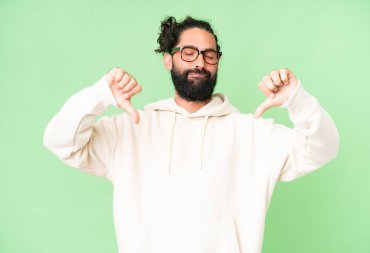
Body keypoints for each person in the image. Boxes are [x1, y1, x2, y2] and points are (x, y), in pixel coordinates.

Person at [43, 16, 339, 253]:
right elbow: (61, 141)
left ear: (217, 62)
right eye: (189, 52)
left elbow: (322, 149)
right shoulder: (130, 129)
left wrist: (296, 99)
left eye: (209, 55)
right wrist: (100, 95)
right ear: (168, 60)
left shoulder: (252, 134)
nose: (200, 62)